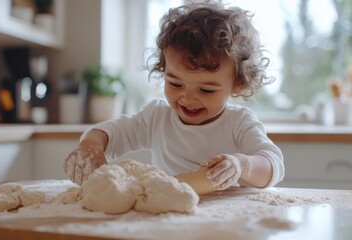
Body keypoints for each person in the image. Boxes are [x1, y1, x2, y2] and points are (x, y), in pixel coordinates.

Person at [63, 0, 284, 191]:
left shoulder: (239, 123)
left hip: (225, 224)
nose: (188, 98)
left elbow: (273, 165)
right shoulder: (156, 117)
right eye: (175, 83)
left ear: (237, 83)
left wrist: (241, 165)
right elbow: (110, 132)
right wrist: (91, 145)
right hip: (169, 218)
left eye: (206, 90)